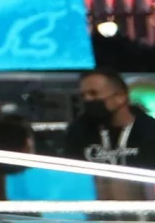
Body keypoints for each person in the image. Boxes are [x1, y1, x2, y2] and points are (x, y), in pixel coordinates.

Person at [64, 70, 155, 198]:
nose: (87, 99)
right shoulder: (78, 132)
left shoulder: (150, 131)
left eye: (93, 93)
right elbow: (71, 179)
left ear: (121, 97)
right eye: (83, 95)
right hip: (96, 211)